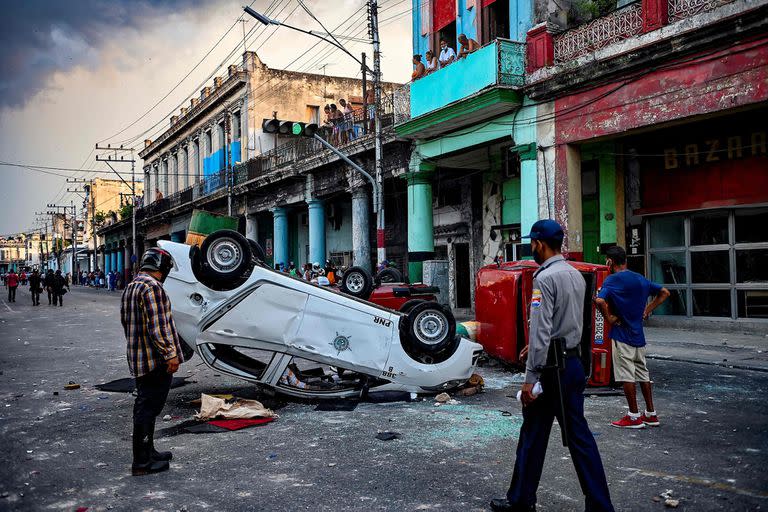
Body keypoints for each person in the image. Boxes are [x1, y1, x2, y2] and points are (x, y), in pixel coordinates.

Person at [491, 219, 614, 512]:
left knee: (536, 435)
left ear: (539, 244)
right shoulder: (574, 274)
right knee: (575, 437)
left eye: (532, 244)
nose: (531, 248)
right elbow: (568, 324)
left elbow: (541, 328)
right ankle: (597, 505)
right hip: (571, 363)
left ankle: (521, 500)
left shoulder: (544, 279)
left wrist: (529, 377)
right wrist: (536, 348)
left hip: (549, 370)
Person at [120, 248, 184, 476]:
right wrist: (171, 355)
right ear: (163, 268)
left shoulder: (132, 286)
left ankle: (149, 451)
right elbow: (158, 327)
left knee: (147, 406)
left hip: (138, 357)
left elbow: (127, 322)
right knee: (148, 408)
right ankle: (142, 462)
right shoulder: (153, 288)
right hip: (154, 361)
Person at [595, 246, 670, 429]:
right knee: (643, 374)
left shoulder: (612, 280)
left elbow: (599, 300)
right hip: (639, 336)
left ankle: (633, 416)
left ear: (609, 262)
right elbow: (664, 293)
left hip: (622, 335)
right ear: (625, 260)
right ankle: (651, 414)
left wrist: (609, 318)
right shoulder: (640, 279)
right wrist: (647, 310)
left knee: (626, 375)